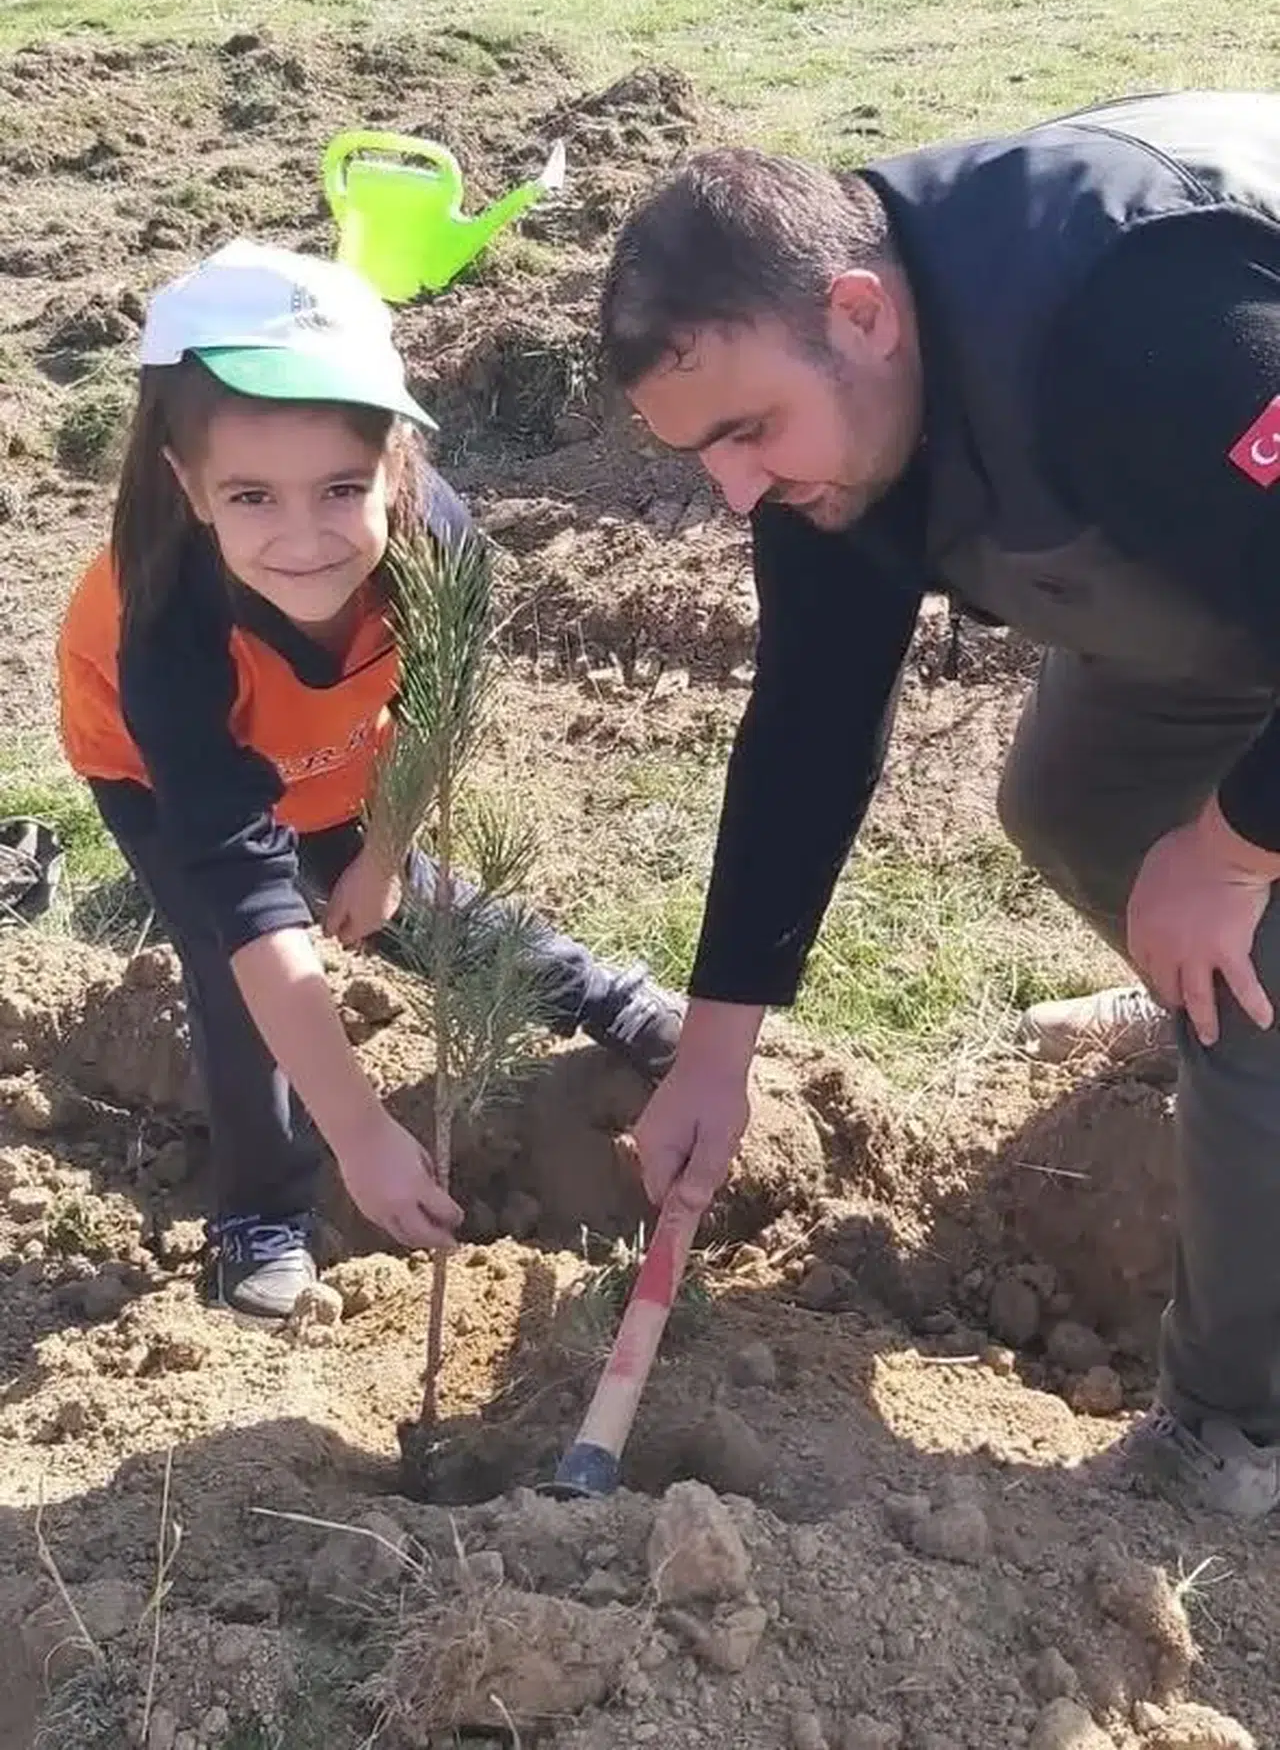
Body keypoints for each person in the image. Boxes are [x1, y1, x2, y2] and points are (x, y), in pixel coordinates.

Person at [599, 91, 1280, 1519]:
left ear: (859, 314)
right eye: (699, 456)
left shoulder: (1143, 323)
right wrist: (715, 1053)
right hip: (1232, 572)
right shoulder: (834, 438)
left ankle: (1239, 1427)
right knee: (1074, 791)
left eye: (746, 431)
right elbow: (810, 721)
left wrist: (1227, 851)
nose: (734, 492)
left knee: (1252, 947)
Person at [58, 239, 680, 1322]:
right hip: (162, 772)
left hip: (333, 740)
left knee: (386, 895)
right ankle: (262, 1210)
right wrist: (359, 1131)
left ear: (398, 464)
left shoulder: (441, 550)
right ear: (188, 487)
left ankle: (609, 999)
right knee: (228, 953)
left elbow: (437, 715)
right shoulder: (162, 632)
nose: (303, 541)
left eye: (341, 488)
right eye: (251, 496)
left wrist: (383, 857)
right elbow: (254, 908)